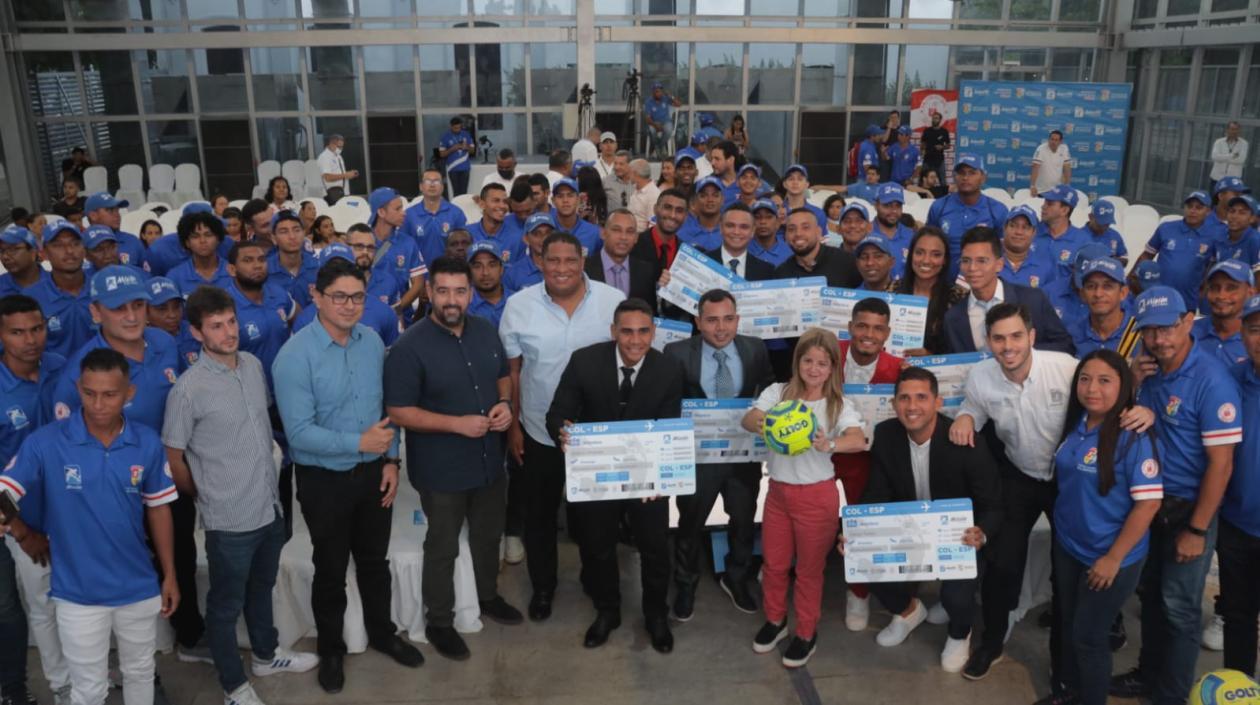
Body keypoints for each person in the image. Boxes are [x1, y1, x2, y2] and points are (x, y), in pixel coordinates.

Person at [949, 302, 1148, 684]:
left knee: (1067, 573)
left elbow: (1105, 398)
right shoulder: (981, 376)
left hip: (1069, 480)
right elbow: (973, 407)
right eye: (999, 338)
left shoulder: (1066, 369)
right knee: (1002, 563)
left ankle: (1064, 666)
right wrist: (964, 417)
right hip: (1019, 477)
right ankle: (991, 643)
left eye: (1016, 336)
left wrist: (1145, 412)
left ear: (1032, 337)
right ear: (988, 341)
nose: (1008, 346)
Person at [272, 256, 421, 693]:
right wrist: (360, 443)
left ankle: (382, 632)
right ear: (316, 297)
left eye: (357, 296)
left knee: (375, 562)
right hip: (324, 482)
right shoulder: (294, 357)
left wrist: (391, 459)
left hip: (375, 472)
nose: (349, 305)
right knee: (331, 568)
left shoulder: (372, 342)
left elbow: (384, 413)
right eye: (339, 296)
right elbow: (298, 435)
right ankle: (332, 649)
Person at [162, 286, 317, 705]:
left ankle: (266, 655)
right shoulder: (187, 390)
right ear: (196, 333)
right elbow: (174, 458)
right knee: (225, 604)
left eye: (230, 322)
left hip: (269, 504)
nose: (228, 332)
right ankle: (233, 685)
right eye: (216, 326)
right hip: (228, 517)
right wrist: (207, 493)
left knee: (262, 585)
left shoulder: (250, 365)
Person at [1, 347, 179, 705]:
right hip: (77, 594)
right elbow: (5, 489)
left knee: (141, 674)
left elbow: (159, 510)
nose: (98, 404)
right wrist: (11, 523)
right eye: (89, 393)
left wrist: (170, 575)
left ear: (128, 394)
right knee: (87, 690)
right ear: (78, 389)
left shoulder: (146, 442)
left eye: (110, 394)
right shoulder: (46, 442)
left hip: (138, 586)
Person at [383, 256, 523, 661]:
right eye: (442, 290)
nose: (451, 299)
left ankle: (487, 596)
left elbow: (501, 374)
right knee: (442, 546)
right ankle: (440, 622)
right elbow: (399, 411)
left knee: (486, 536)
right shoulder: (409, 347)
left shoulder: (484, 331)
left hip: (488, 462)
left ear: (470, 293)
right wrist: (456, 425)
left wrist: (503, 402)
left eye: (459, 291)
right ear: (428, 292)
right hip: (441, 469)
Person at [1110, 286, 1242, 705]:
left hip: (1190, 511)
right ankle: (1148, 675)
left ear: (1188, 322)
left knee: (1180, 608)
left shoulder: (1210, 379)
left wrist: (1198, 530)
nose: (1159, 339)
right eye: (1150, 330)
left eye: (1168, 328)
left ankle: (1171, 695)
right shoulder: (1150, 368)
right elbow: (1128, 419)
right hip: (1151, 505)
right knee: (1151, 597)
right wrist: (1132, 379)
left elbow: (1221, 465)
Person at [499, 232, 625, 623]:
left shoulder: (612, 302)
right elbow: (513, 371)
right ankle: (543, 587)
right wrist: (514, 428)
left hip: (597, 435)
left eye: (570, 260)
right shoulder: (519, 306)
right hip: (538, 431)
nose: (561, 269)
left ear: (583, 259)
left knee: (594, 521)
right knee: (538, 519)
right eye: (552, 260)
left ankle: (595, 579)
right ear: (539, 261)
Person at [544, 298, 683, 653]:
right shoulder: (585, 361)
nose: (635, 340)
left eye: (643, 331)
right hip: (597, 475)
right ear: (613, 332)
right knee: (597, 547)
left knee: (655, 550)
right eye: (627, 331)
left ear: (653, 332)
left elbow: (668, 428)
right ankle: (608, 611)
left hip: (646, 478)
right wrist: (563, 431)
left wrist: (661, 479)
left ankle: (656, 615)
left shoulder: (667, 369)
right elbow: (557, 413)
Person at [848, 366, 1001, 672]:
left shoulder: (965, 440)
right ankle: (908, 612)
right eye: (904, 398)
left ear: (938, 402)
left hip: (958, 536)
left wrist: (981, 533)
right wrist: (857, 532)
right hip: (910, 531)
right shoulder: (887, 434)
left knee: (957, 596)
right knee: (861, 559)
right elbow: (876, 492)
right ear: (893, 405)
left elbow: (994, 504)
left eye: (921, 397)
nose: (912, 406)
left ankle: (960, 632)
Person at [1035, 350, 1162, 705]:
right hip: (1069, 547)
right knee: (1070, 625)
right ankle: (1069, 691)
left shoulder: (1133, 435)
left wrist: (1113, 558)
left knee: (1090, 638)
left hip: (1108, 557)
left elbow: (1149, 503)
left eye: (1105, 380)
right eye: (1085, 379)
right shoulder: (1077, 423)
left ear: (1123, 386)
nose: (1092, 388)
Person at [743, 328, 866, 669]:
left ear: (833, 368)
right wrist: (768, 422)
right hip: (778, 494)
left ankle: (807, 632)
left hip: (817, 497)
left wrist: (831, 444)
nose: (814, 369)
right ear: (797, 362)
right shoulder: (778, 393)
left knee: (809, 571)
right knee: (774, 564)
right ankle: (775, 620)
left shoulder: (838, 404)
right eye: (808, 361)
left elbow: (857, 439)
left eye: (822, 363)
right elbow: (748, 418)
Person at [664, 289, 772, 618]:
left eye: (728, 319)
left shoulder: (755, 348)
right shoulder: (677, 352)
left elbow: (768, 390)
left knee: (743, 520)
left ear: (737, 320)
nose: (721, 328)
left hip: (742, 454)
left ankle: (737, 577)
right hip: (699, 458)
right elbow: (668, 402)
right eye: (711, 320)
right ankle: (686, 583)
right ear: (698, 322)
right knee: (690, 523)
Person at [0, 294, 70, 705]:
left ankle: (87, 672)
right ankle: (62, 686)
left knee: (78, 598)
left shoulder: (62, 368)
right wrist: (21, 530)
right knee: (42, 606)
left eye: (37, 328)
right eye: (17, 332)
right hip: (24, 520)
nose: (31, 340)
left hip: (73, 510)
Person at [829, 297, 904, 631]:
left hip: (867, 459)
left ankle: (858, 592)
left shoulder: (898, 368)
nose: (868, 334)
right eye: (861, 326)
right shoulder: (828, 354)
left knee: (861, 525)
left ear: (887, 333)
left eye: (877, 328)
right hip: (824, 452)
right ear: (850, 328)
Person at [942, 227, 1074, 355]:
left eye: (982, 261)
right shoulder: (952, 318)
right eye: (966, 261)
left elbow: (1065, 346)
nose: (972, 268)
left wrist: (1021, 353)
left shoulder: (1033, 300)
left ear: (999, 264)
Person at [1216, 293, 1260, 678]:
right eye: (1255, 328)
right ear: (1242, 335)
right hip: (1236, 526)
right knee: (1238, 617)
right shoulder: (1229, 379)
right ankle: (1240, 689)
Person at [292, 244, 401, 347]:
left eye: (344, 267)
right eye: (331, 268)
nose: (338, 273)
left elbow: (392, 358)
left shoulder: (383, 312)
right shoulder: (305, 319)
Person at [1130, 190, 1218, 312]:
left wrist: (1206, 287)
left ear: (1208, 211)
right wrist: (1131, 277)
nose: (1193, 211)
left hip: (1188, 300)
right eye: (1189, 206)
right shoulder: (1166, 228)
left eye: (1198, 207)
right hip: (1158, 297)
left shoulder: (1214, 236)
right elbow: (1146, 255)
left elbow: (1212, 266)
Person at [926, 154, 1009, 281]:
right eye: (961, 173)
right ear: (955, 176)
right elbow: (928, 245)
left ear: (983, 178)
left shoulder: (997, 210)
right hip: (942, 284)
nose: (965, 177)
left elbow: (1004, 252)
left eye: (972, 173)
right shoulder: (939, 206)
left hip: (982, 284)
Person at [897, 226, 968, 357]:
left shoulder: (959, 298)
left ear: (945, 260)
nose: (926, 260)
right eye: (919, 252)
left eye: (936, 255)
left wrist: (929, 357)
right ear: (910, 254)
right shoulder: (892, 290)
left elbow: (962, 350)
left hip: (942, 374)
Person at [28, 222, 94, 358]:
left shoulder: (103, 287)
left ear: (84, 249)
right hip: (54, 377)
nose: (69, 251)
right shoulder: (31, 298)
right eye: (58, 245)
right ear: (44, 253)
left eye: (75, 243)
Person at [367, 187, 429, 318]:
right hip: (366, 316)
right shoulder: (362, 241)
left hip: (400, 317)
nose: (404, 213)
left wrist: (396, 310)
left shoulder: (408, 243)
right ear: (381, 212)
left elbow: (418, 284)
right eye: (397, 209)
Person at [584, 209, 658, 308]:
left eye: (630, 231)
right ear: (603, 233)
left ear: (636, 237)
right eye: (616, 230)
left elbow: (651, 313)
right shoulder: (584, 270)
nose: (623, 237)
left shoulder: (646, 271)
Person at [774, 207, 861, 287]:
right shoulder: (781, 274)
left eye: (805, 227)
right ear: (785, 236)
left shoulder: (848, 263)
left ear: (818, 232)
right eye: (791, 229)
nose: (798, 234)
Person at [1070, 258, 1139, 359]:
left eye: (1107, 286)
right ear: (1082, 294)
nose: (1098, 294)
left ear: (1123, 293)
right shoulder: (1071, 336)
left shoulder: (1140, 333)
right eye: (1091, 286)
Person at [1192, 260, 1251, 367]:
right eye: (1214, 288)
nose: (1221, 295)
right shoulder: (1188, 333)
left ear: (1250, 293)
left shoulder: (1255, 338)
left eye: (1231, 288)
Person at [166, 210, 233, 296]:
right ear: (187, 242)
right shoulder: (175, 276)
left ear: (218, 239)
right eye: (195, 236)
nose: (203, 241)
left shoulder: (234, 272)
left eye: (208, 235)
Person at [702, 202, 773, 281]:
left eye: (744, 227)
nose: (736, 232)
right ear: (721, 228)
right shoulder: (702, 263)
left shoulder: (766, 271)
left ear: (752, 231)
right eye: (730, 225)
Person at [265, 209, 321, 309]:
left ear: (304, 233)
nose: (292, 236)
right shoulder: (263, 270)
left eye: (296, 230)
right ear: (273, 238)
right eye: (284, 231)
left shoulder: (319, 267)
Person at [145, 276, 202, 370]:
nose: (172, 315)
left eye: (176, 307)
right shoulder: (141, 343)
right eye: (162, 309)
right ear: (145, 312)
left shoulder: (195, 332)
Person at [630, 189, 689, 276]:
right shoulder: (633, 245)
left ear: (685, 216)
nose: (672, 215)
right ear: (655, 209)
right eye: (667, 208)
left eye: (679, 211)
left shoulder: (687, 254)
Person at [84, 193, 146, 272]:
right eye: (110, 210)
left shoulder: (132, 241)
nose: (117, 215)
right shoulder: (79, 242)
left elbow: (145, 275)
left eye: (117, 210)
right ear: (93, 216)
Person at [467, 183, 527, 265]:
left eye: (505, 202)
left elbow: (519, 272)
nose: (502, 206)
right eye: (496, 201)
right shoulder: (467, 234)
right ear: (482, 204)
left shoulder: (517, 238)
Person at [1001, 205, 1058, 290]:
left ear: (1034, 232)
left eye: (1025, 227)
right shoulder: (989, 259)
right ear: (1004, 228)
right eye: (1013, 226)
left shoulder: (1046, 266)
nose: (1019, 232)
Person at [1036, 186, 1091, 270]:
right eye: (1044, 202)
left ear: (1064, 210)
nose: (1043, 207)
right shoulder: (1030, 231)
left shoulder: (1083, 241)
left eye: (1050, 204)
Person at [870, 184, 914, 279]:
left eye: (898, 206)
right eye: (887, 205)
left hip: (904, 292)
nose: (893, 211)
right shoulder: (864, 233)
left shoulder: (911, 236)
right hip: (872, 293)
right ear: (876, 205)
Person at [502, 212, 554, 293]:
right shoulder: (512, 274)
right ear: (526, 239)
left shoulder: (565, 268)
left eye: (548, 233)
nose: (544, 239)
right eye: (537, 234)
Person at [552, 177, 603, 255]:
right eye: (560, 196)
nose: (565, 200)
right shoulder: (545, 230)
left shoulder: (595, 233)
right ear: (553, 201)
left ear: (578, 199)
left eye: (570, 195)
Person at [467, 241, 510, 327]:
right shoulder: (464, 305)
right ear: (468, 271)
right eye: (477, 266)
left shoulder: (518, 301)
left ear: (501, 269)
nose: (485, 272)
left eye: (492, 265)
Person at [676, 177, 725, 251]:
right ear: (694, 202)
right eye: (703, 195)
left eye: (715, 195)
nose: (710, 200)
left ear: (723, 200)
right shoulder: (682, 233)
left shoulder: (733, 231)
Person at [1213, 194, 1260, 269]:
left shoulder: (1256, 241)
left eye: (1242, 213)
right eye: (1232, 211)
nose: (1234, 216)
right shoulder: (1219, 235)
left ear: (1252, 218)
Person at [0, 226, 48, 297]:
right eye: (2, 251)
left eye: (13, 249)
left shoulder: (58, 283)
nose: (5, 256)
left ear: (33, 253)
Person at [780, 164, 828, 231]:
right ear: (784, 184)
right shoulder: (776, 210)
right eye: (791, 179)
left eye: (800, 179)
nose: (795, 182)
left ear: (807, 184)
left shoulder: (818, 213)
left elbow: (822, 239)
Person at [749, 199, 792, 267]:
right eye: (757, 217)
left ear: (777, 223)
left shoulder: (789, 253)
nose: (763, 222)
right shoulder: (742, 249)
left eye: (769, 217)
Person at [317, 133, 358, 205]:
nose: (341, 149)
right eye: (339, 147)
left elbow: (339, 174)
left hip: (342, 192)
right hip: (332, 193)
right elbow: (327, 177)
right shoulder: (325, 157)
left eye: (342, 147)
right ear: (332, 144)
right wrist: (345, 175)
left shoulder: (338, 156)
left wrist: (350, 174)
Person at [643, 82, 681, 158]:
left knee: (669, 130)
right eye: (657, 91)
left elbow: (679, 104)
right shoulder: (648, 102)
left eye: (660, 91)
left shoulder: (665, 98)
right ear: (653, 92)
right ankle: (660, 147)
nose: (659, 93)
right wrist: (655, 125)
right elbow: (647, 119)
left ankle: (659, 146)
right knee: (652, 131)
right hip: (654, 122)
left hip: (666, 121)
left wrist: (670, 96)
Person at [1030, 130, 1073, 197]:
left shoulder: (1064, 148)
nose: (1053, 142)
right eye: (1051, 139)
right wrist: (1032, 186)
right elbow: (1035, 168)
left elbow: (1067, 168)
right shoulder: (1041, 149)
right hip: (1041, 190)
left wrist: (1067, 185)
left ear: (1060, 142)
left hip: (1057, 190)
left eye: (1056, 140)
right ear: (1048, 139)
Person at [1209, 121, 1248, 191]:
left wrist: (1222, 157)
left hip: (1233, 180)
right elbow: (1214, 157)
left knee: (1230, 201)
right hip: (1217, 178)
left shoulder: (1244, 144)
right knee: (1214, 200)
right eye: (1232, 129)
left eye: (1237, 129)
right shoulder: (1219, 142)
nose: (1234, 132)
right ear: (1227, 130)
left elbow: (1241, 160)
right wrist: (1232, 155)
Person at [627, 159, 661, 232]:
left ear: (635, 174)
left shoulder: (653, 194)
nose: (628, 175)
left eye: (629, 172)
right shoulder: (635, 190)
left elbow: (652, 223)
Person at [920, 112, 951, 185]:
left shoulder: (944, 131)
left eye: (936, 118)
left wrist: (942, 147)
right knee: (923, 180)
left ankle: (944, 195)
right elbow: (923, 143)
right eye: (933, 118)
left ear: (940, 120)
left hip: (939, 160)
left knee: (943, 181)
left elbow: (948, 145)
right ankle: (923, 195)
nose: (934, 120)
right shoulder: (927, 131)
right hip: (927, 159)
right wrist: (922, 150)